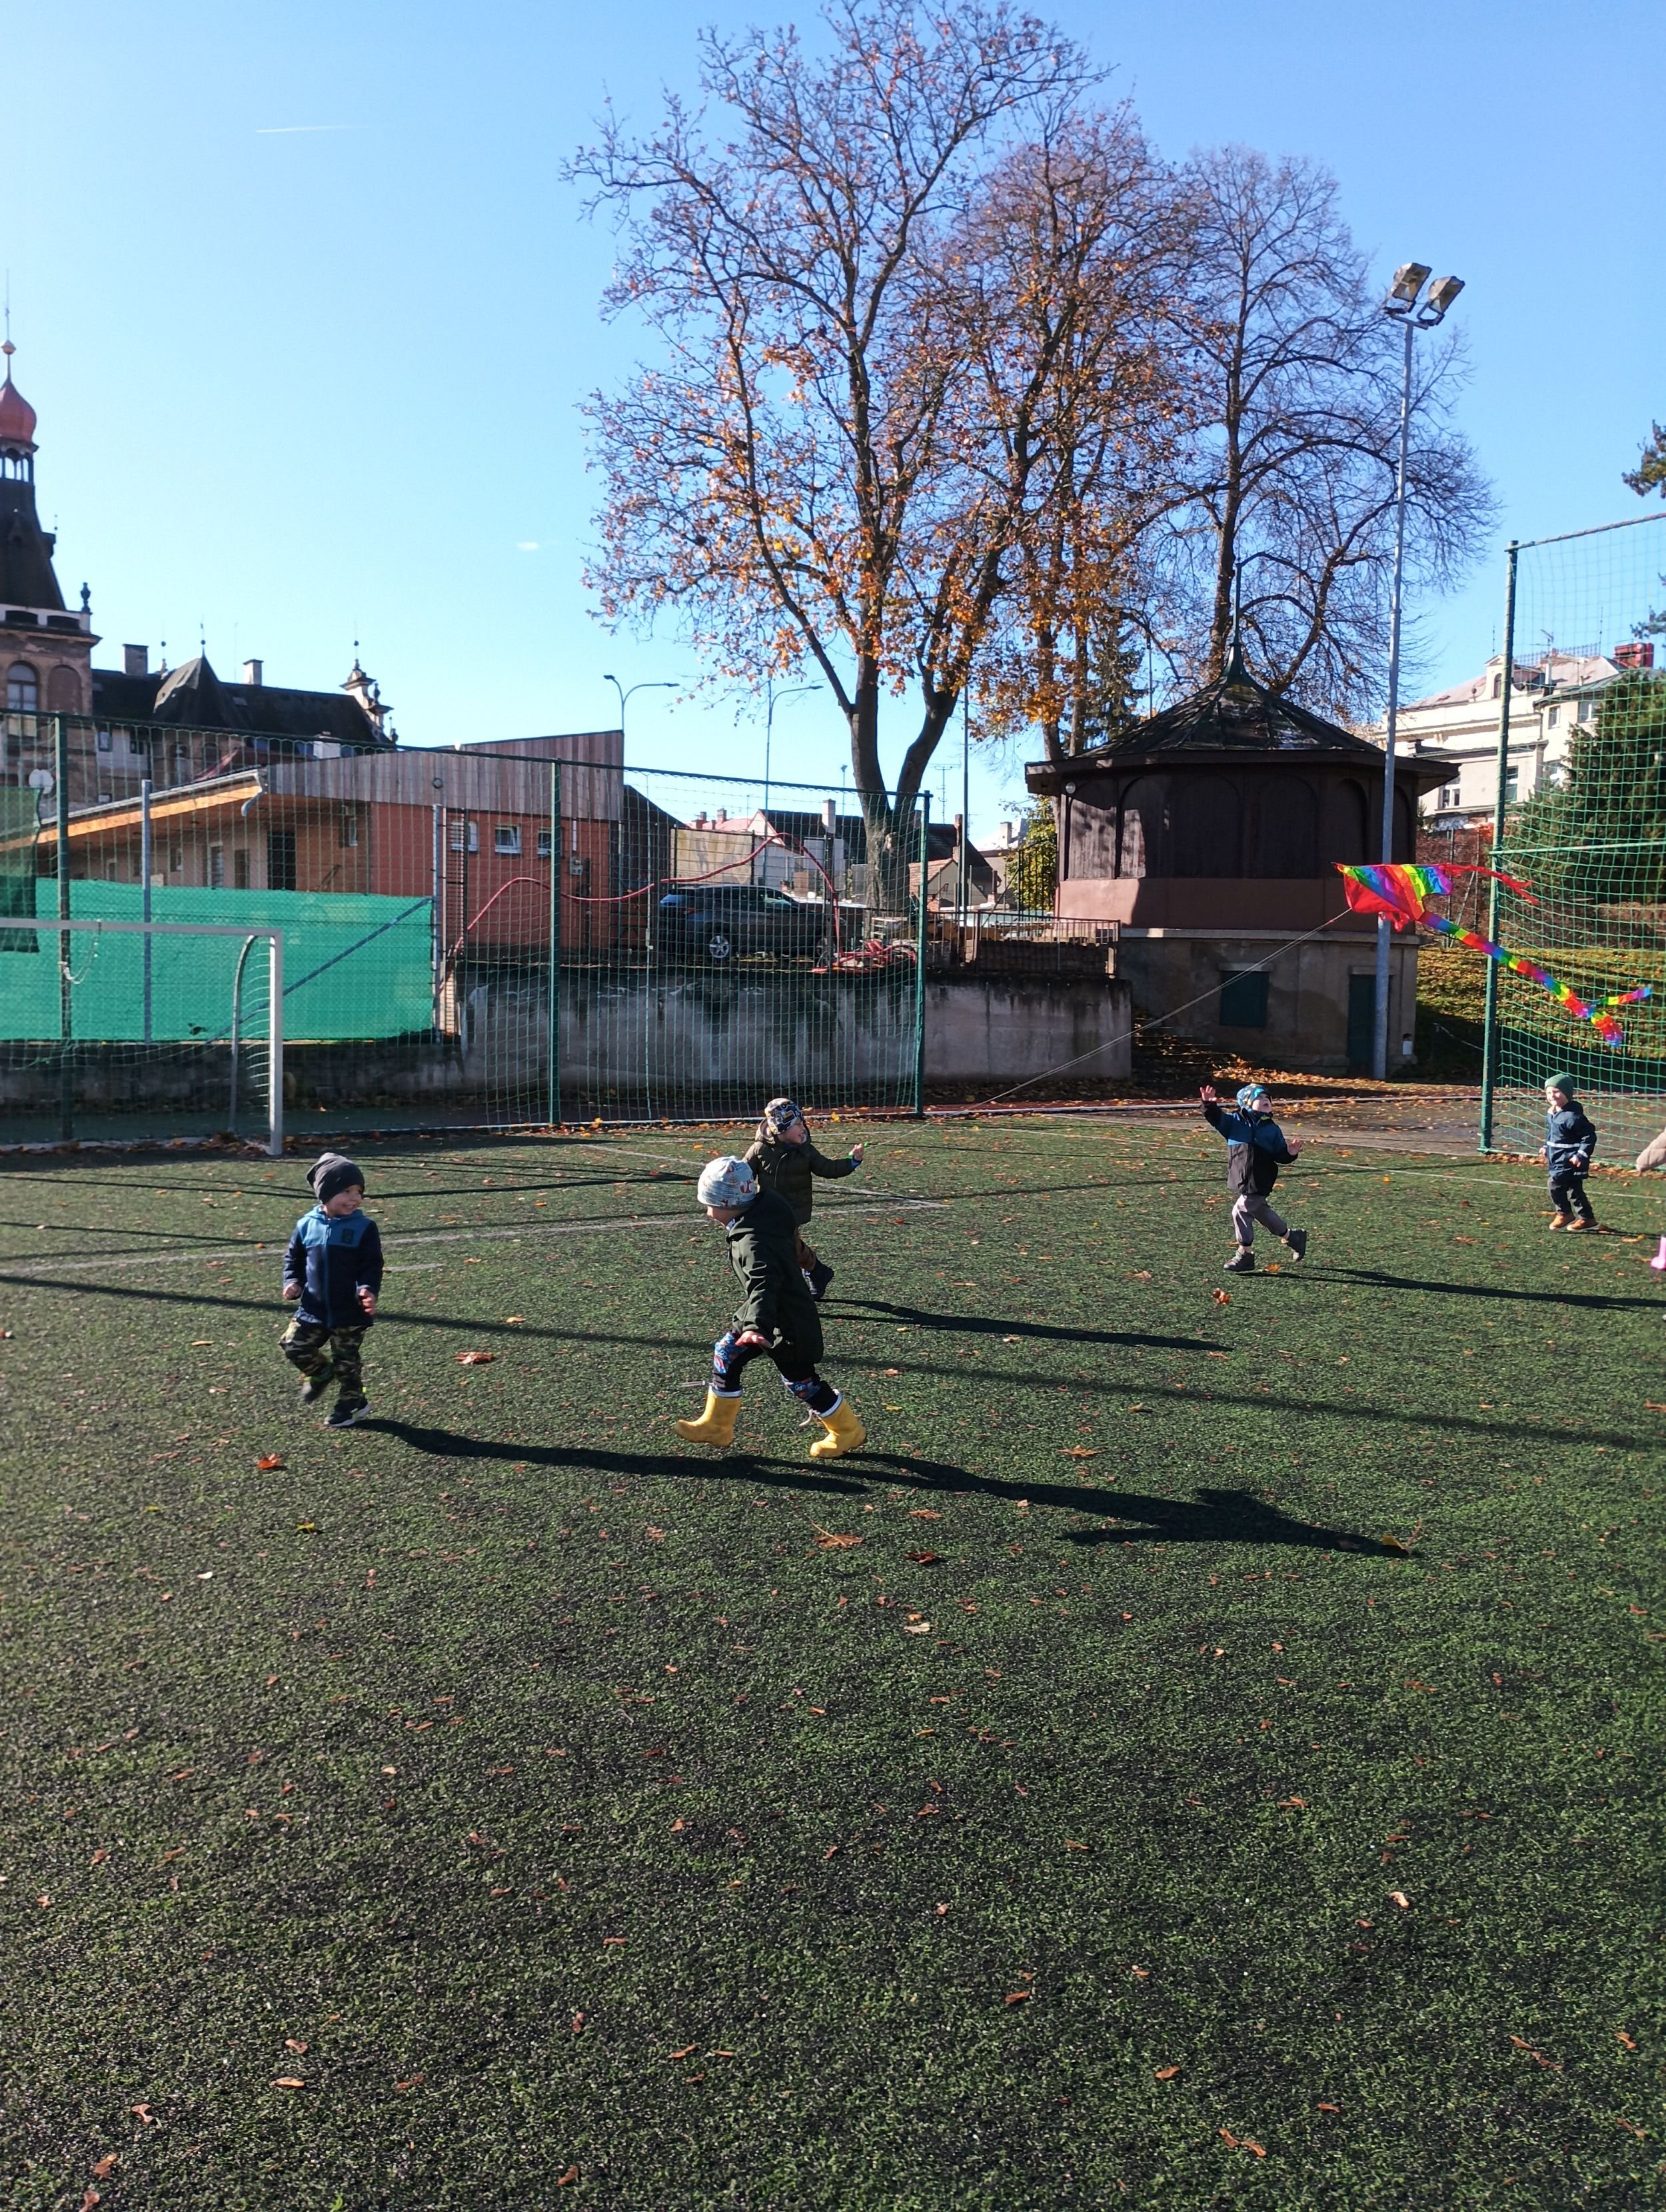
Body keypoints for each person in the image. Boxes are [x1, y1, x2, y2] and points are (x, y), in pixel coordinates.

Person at [674, 1154, 866, 1458]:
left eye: (709, 1205)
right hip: (766, 1314)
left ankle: (847, 1430)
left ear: (726, 1204)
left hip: (786, 1321)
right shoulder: (763, 1208)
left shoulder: (754, 1242)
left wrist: (755, 1327)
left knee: (801, 1382)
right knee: (727, 1352)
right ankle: (717, 1426)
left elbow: (765, 1285)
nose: (708, 1212)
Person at [281, 1152, 383, 1428]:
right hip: (312, 1308)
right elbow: (294, 1258)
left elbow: (372, 1265)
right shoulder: (306, 1224)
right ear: (325, 1194)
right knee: (293, 1345)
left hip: (349, 1312)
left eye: (358, 1192)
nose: (354, 1198)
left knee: (346, 1362)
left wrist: (367, 1289)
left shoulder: (364, 1228)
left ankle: (353, 1402)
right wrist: (292, 1281)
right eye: (346, 1191)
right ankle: (320, 1373)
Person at [744, 1096, 864, 1299]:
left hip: (793, 1210)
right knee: (781, 1247)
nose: (804, 1128)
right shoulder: (760, 1149)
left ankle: (803, 1281)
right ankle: (817, 1272)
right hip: (768, 1209)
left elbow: (827, 1168)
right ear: (781, 1129)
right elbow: (744, 1173)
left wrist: (852, 1161)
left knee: (786, 1248)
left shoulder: (806, 1150)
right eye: (798, 1124)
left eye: (803, 1123)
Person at [1199, 1081, 1308, 1275]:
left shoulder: (1272, 1129)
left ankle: (1245, 1254)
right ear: (1247, 1103)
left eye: (1268, 1098)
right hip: (1242, 1178)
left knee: (1240, 1210)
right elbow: (1216, 1118)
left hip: (1261, 1179)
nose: (1266, 1101)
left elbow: (1280, 1155)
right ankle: (1293, 1237)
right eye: (1260, 1097)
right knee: (1261, 1212)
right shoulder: (1234, 1122)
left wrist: (1290, 1153)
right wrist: (1209, 1105)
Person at [1543, 1075, 1597, 1231]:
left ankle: (1564, 1213)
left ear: (1567, 1093)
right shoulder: (1552, 1113)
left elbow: (1589, 1136)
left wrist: (1581, 1155)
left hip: (1569, 1160)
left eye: (1557, 1092)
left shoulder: (1573, 1117)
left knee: (1554, 1184)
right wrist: (1546, 1146)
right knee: (1574, 1190)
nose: (1552, 1096)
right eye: (1549, 1093)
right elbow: (1552, 1134)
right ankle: (1587, 1219)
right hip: (1556, 1158)